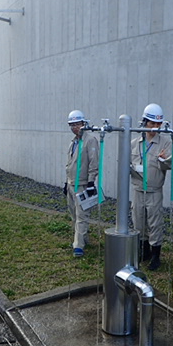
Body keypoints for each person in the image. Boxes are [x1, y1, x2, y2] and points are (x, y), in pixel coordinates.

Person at [130, 103, 172, 271]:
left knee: (155, 223)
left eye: (158, 124)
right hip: (138, 189)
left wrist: (164, 160)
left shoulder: (165, 142)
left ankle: (156, 255)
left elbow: (170, 165)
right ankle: (143, 251)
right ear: (144, 122)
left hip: (154, 189)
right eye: (152, 123)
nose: (155, 127)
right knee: (138, 221)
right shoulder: (135, 142)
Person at [65, 110, 99, 258]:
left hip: (83, 184)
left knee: (81, 216)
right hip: (71, 183)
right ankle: (83, 238)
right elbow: (69, 164)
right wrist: (66, 184)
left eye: (77, 124)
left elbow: (94, 162)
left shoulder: (90, 140)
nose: (75, 127)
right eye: (72, 125)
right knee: (74, 214)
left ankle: (78, 246)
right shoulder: (73, 142)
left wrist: (91, 182)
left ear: (84, 123)